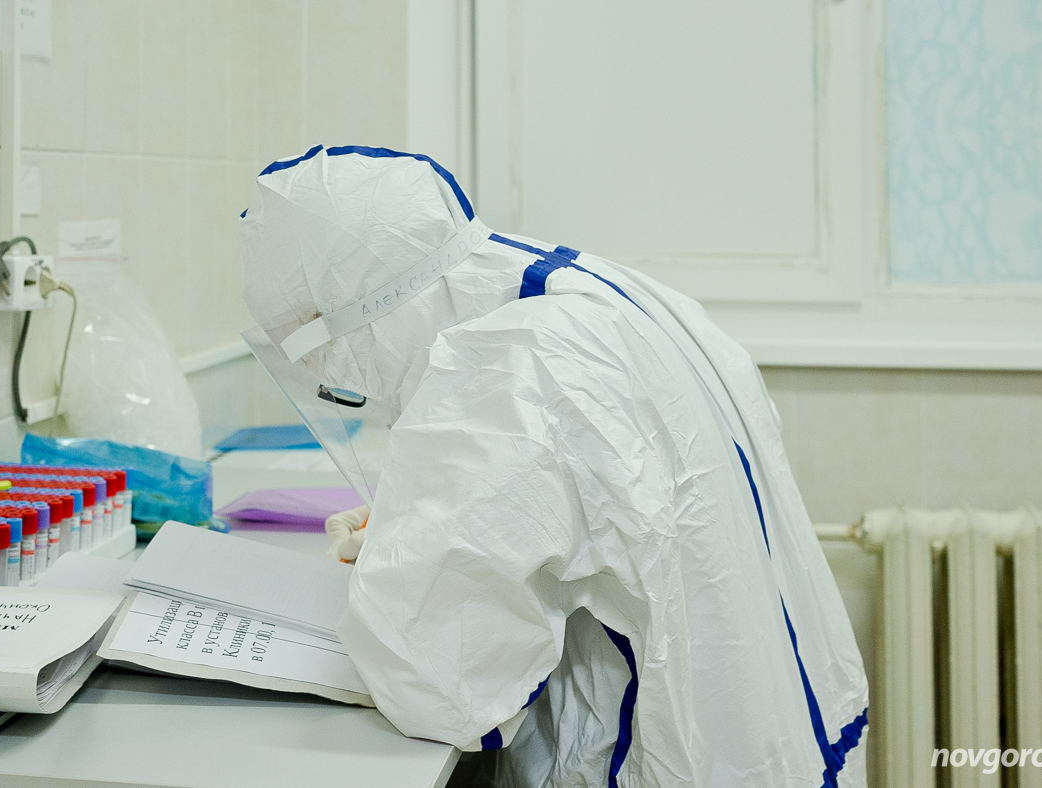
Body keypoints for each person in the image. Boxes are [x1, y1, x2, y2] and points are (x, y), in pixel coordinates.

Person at [239, 145, 868, 788]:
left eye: (316, 351)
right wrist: (425, 519)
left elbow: (438, 687)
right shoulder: (601, 292)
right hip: (782, 733)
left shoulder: (509, 362)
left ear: (347, 315)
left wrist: (394, 562)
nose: (327, 375)